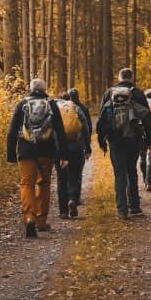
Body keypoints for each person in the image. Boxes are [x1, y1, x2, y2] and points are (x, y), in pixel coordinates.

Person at [6, 78, 68, 236]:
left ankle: (29, 218)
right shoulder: (51, 104)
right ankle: (41, 221)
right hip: (47, 151)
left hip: (26, 150)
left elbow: (12, 131)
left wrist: (11, 155)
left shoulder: (22, 104)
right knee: (44, 183)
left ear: (31, 88)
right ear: (44, 88)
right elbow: (60, 131)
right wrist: (63, 155)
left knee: (27, 184)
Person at [96, 68, 151, 219]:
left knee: (119, 174)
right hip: (133, 139)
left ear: (119, 77)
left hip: (115, 139)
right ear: (132, 78)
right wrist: (148, 140)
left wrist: (102, 140)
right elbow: (147, 118)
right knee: (132, 172)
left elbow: (101, 119)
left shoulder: (109, 93)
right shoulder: (138, 93)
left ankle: (122, 210)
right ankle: (134, 206)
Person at [56, 88, 92, 219]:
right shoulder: (76, 108)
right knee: (75, 174)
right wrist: (87, 146)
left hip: (60, 148)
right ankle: (72, 199)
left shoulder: (54, 108)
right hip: (76, 147)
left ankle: (63, 211)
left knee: (61, 178)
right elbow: (86, 128)